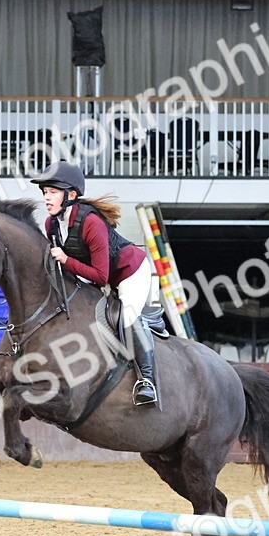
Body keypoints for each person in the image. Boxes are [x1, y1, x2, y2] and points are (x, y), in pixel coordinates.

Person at [32, 161, 160, 406]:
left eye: (52, 192)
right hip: (103, 277)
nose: (47, 198)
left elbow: (100, 276)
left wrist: (66, 259)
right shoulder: (51, 224)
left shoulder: (91, 222)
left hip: (130, 272)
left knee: (127, 317)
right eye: (45, 192)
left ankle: (147, 381)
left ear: (70, 195)